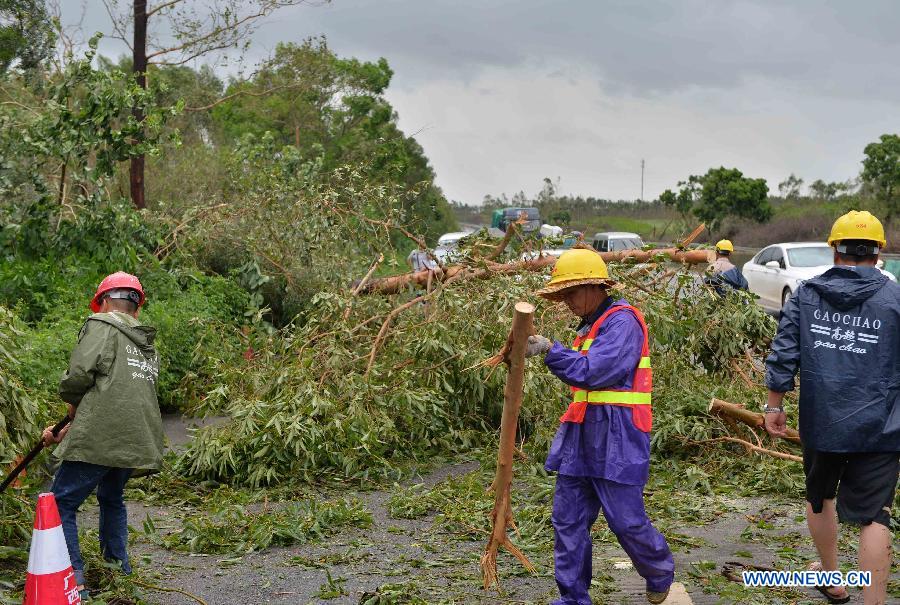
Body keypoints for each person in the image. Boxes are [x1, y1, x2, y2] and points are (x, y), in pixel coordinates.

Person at [525, 248, 675, 604]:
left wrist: (549, 350)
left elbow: (594, 371)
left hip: (618, 439)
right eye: (563, 295)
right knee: (568, 521)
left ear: (596, 287)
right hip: (581, 437)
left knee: (625, 521)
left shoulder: (623, 322)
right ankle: (574, 598)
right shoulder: (589, 327)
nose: (567, 301)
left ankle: (658, 571)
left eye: (572, 292)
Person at [764, 211, 898, 605]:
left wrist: (774, 405)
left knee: (820, 498)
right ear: (877, 253)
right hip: (883, 425)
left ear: (835, 250)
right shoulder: (895, 300)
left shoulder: (806, 294)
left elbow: (784, 352)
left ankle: (833, 578)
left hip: (823, 421)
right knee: (875, 516)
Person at [42, 272, 163, 601]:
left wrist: (71, 401)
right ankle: (118, 571)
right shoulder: (146, 344)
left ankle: (73, 579)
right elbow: (122, 390)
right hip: (136, 437)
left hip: (102, 435)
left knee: (60, 502)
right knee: (111, 498)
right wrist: (74, 417)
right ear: (136, 309)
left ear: (105, 302)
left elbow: (79, 376)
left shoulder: (101, 325)